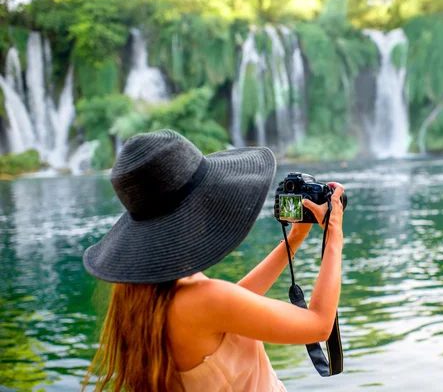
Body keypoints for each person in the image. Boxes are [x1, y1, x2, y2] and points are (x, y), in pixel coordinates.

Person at [81, 130, 345, 392]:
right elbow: (319, 325)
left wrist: (294, 239)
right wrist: (334, 235)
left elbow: (234, 304)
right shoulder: (205, 299)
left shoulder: (143, 297)